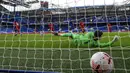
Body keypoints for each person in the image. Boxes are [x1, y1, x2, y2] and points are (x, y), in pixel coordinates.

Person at [53, 30, 119, 47]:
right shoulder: (95, 44)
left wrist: (83, 33)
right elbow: (105, 44)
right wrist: (113, 41)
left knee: (70, 34)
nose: (101, 37)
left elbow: (87, 34)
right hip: (77, 40)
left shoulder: (90, 34)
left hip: (77, 38)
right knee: (71, 34)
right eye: (100, 36)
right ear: (97, 37)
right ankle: (59, 34)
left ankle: (58, 34)